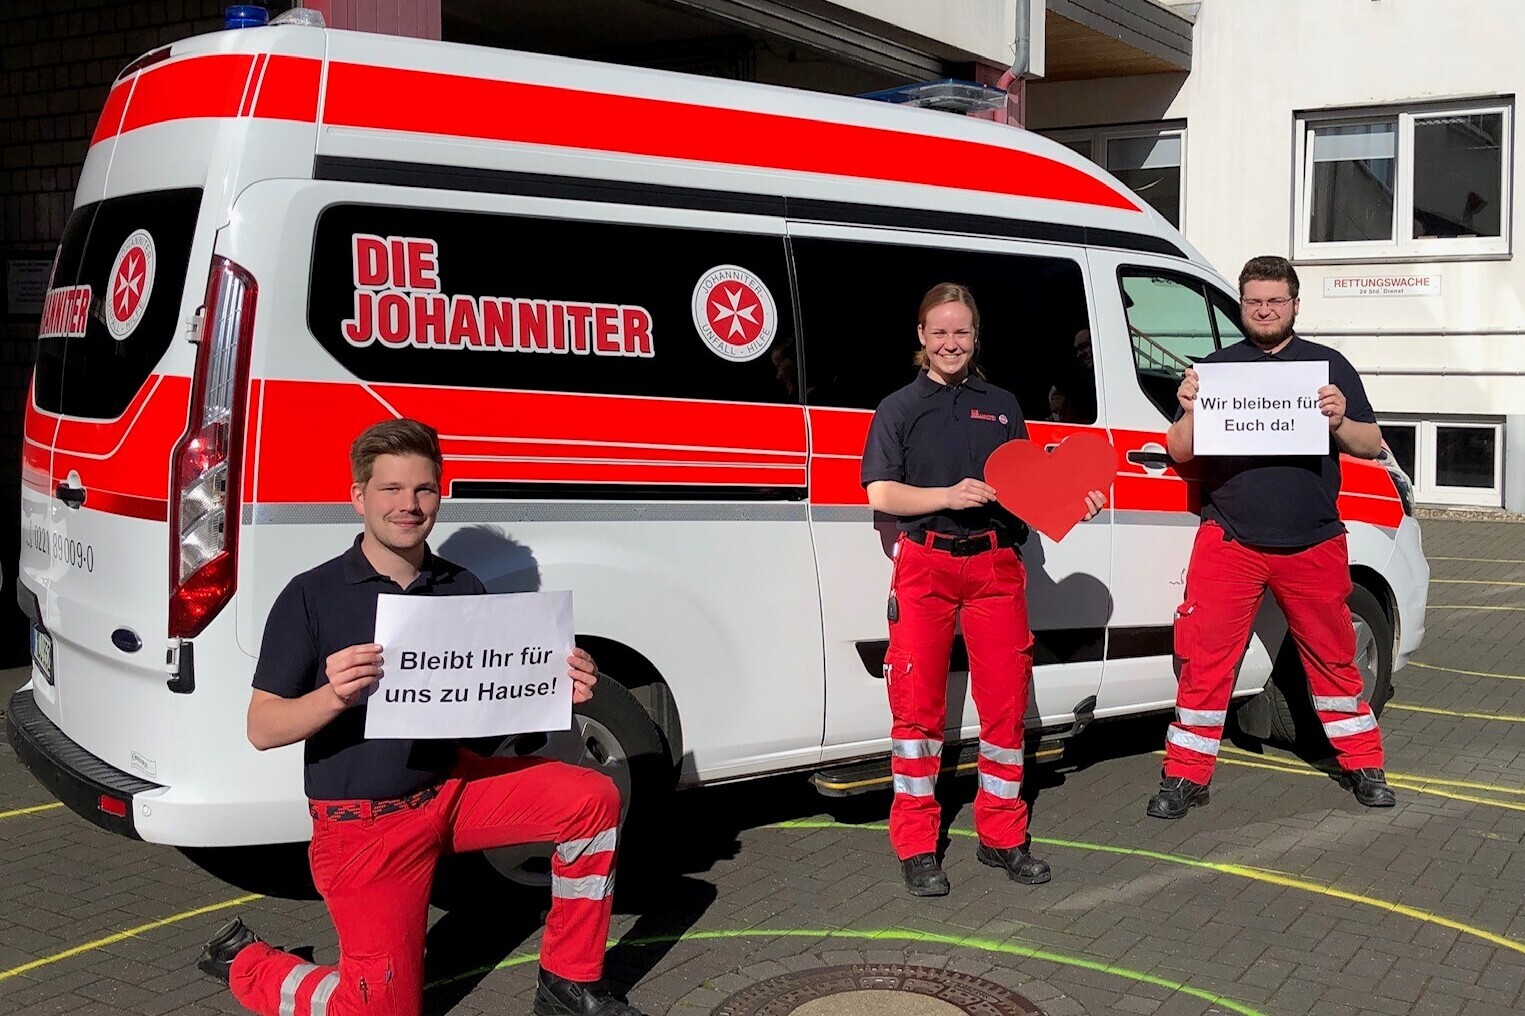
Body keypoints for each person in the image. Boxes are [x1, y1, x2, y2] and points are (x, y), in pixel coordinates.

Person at [196, 418, 646, 1016]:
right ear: (359, 498)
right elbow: (262, 727)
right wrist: (333, 696)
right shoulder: (311, 594)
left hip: (452, 788)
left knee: (592, 799)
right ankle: (246, 961)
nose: (408, 505)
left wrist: (552, 688)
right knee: (379, 1009)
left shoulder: (460, 587)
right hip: (366, 826)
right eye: (391, 489)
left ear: (439, 496)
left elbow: (485, 717)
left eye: (423, 489)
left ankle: (569, 980)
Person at [861, 282, 1105, 897]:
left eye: (961, 332)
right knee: (917, 709)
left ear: (976, 337)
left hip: (996, 567)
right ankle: (917, 845)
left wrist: (1073, 504)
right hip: (926, 565)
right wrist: (947, 496)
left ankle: (1002, 835)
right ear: (922, 336)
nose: (951, 343)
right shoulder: (898, 408)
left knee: (1004, 707)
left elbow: (1024, 490)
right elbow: (881, 493)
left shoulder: (1001, 405)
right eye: (940, 332)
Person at [1147, 255, 1395, 820]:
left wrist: (1339, 420)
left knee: (1334, 659)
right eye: (1254, 301)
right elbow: (1179, 450)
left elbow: (1370, 443)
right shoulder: (1214, 369)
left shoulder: (1328, 366)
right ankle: (1186, 775)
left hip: (1313, 541)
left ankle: (1363, 764)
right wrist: (1188, 409)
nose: (1264, 310)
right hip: (1230, 540)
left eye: (1275, 301)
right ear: (1242, 306)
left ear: (1295, 305)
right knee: (1205, 661)